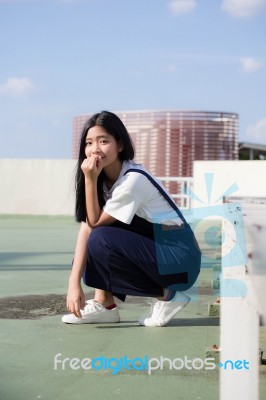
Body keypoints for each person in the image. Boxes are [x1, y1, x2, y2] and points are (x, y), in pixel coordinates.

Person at [62, 110, 201, 327]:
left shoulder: (133, 180)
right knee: (95, 238)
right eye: (89, 143)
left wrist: (90, 179)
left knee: (101, 237)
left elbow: (95, 224)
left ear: (120, 145)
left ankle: (168, 296)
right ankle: (105, 304)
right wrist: (73, 283)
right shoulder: (101, 180)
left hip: (179, 258)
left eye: (103, 141)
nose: (95, 149)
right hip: (157, 250)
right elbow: (86, 228)